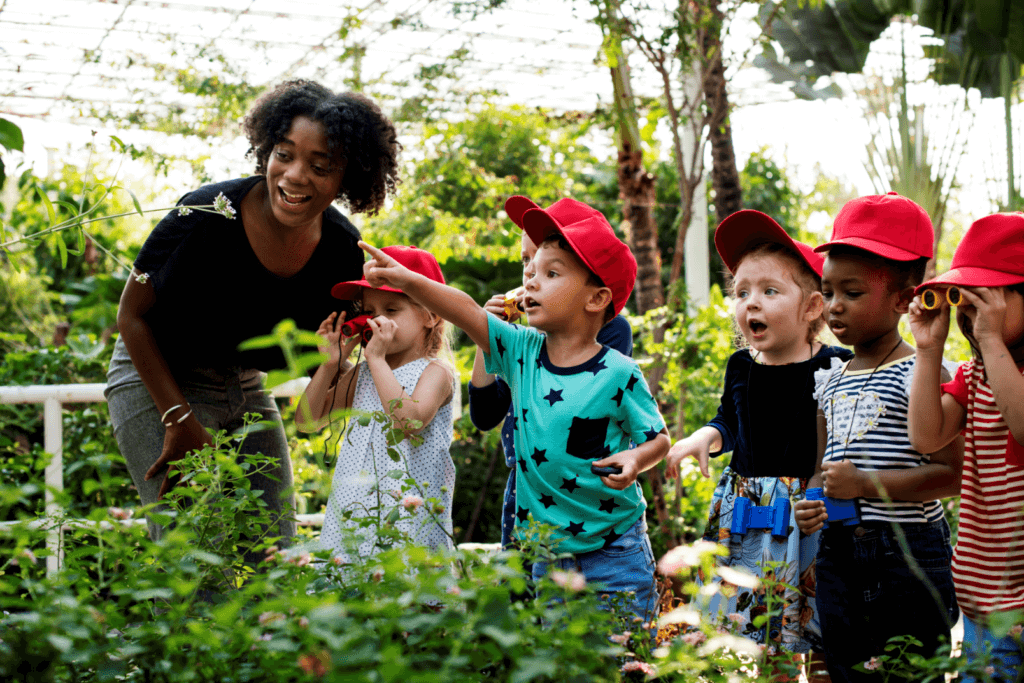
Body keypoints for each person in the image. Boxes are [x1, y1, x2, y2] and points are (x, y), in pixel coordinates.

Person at [105, 80, 401, 558]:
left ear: (347, 177)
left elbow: (326, 362)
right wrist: (178, 418)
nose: (295, 175)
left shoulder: (342, 249)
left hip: (243, 383)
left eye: (320, 166)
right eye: (284, 154)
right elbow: (130, 316)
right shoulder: (202, 215)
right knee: (193, 553)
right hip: (156, 376)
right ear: (266, 149)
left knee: (276, 553)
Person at [357, 197, 670, 624]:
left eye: (551, 273)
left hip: (614, 548)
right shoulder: (520, 349)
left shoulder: (620, 370)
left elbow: (659, 439)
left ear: (596, 298)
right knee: (556, 659)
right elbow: (465, 311)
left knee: (623, 660)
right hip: (545, 550)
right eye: (531, 269)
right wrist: (409, 282)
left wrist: (636, 458)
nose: (531, 281)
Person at [666, 210, 849, 680]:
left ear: (812, 307)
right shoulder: (741, 366)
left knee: (822, 631)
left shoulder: (835, 365)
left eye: (770, 291)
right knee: (762, 637)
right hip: (747, 520)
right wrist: (702, 437)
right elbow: (729, 419)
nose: (751, 303)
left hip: (811, 517)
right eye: (741, 291)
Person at [793, 193, 962, 682]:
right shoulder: (831, 378)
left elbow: (951, 475)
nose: (835, 306)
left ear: (904, 298)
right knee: (847, 671)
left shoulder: (924, 374)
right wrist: (811, 500)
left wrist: (865, 484)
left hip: (904, 555)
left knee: (909, 672)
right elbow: (822, 466)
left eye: (853, 292)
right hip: (837, 551)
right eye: (828, 291)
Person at [468, 195, 632, 551]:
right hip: (526, 487)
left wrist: (536, 336)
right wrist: (488, 336)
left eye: (548, 268)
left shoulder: (612, 331)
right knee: (526, 596)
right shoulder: (522, 340)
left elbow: (585, 403)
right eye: (526, 260)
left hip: (583, 496)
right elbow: (484, 415)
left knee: (588, 599)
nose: (529, 273)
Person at [907, 212, 1024, 683]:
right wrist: (928, 349)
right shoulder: (973, 376)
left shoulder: (999, 371)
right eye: (964, 304)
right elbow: (927, 437)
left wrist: (992, 338)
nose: (971, 320)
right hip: (980, 605)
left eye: (984, 301)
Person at [297, 245, 456, 563]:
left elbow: (408, 422)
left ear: (431, 315)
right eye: (368, 311)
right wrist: (329, 365)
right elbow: (307, 421)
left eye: (391, 310)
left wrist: (377, 360)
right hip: (355, 515)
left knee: (408, 603)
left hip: (409, 522)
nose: (375, 320)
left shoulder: (436, 372)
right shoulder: (366, 371)